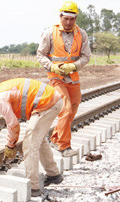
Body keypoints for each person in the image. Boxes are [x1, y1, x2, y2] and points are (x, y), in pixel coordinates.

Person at [0, 78, 64, 197]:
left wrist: (10, 145)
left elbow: (13, 125)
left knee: (30, 143)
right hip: (51, 100)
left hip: (48, 103)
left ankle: (33, 187)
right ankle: (54, 174)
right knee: (39, 139)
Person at [37, 0, 91, 157]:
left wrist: (74, 66)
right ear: (60, 16)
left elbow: (86, 56)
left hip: (73, 77)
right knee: (65, 108)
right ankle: (64, 146)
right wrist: (52, 66)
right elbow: (40, 54)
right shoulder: (49, 33)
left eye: (72, 19)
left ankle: (55, 137)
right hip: (56, 77)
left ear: (75, 18)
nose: (68, 22)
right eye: (65, 18)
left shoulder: (82, 34)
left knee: (73, 107)